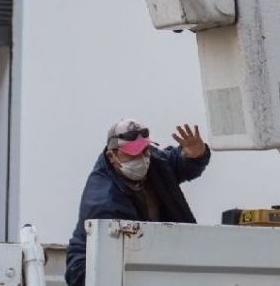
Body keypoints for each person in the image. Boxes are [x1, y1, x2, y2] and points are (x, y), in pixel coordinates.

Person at [65, 119, 210, 286]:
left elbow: (176, 163)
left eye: (144, 150)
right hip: (91, 269)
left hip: (148, 259)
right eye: (132, 154)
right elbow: (128, 252)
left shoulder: (153, 161)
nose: (141, 158)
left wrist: (195, 155)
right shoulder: (105, 199)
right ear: (112, 156)